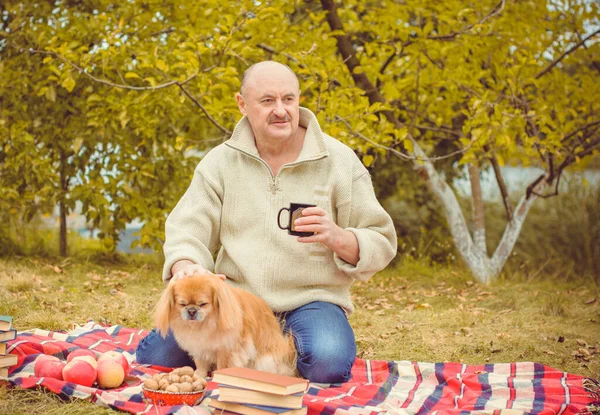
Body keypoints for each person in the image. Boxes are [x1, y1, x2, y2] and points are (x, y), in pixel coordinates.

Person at [136, 61, 397, 383]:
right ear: (242, 104)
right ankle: (249, 355)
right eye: (268, 101)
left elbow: (381, 239)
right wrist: (187, 265)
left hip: (311, 301)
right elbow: (187, 228)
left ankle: (265, 353)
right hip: (235, 301)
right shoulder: (220, 162)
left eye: (289, 99)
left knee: (327, 363)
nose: (281, 110)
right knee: (156, 358)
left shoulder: (339, 160)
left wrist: (339, 237)